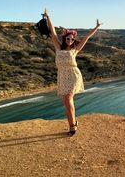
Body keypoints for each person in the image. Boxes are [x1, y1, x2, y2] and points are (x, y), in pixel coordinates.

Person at [43, 8, 102, 136]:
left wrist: (96, 27)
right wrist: (48, 17)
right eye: (67, 38)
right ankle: (74, 122)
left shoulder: (75, 50)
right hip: (62, 76)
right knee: (66, 102)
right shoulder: (58, 47)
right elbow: (52, 33)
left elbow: (86, 37)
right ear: (64, 39)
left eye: (71, 39)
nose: (69, 40)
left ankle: (72, 127)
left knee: (69, 98)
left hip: (73, 75)